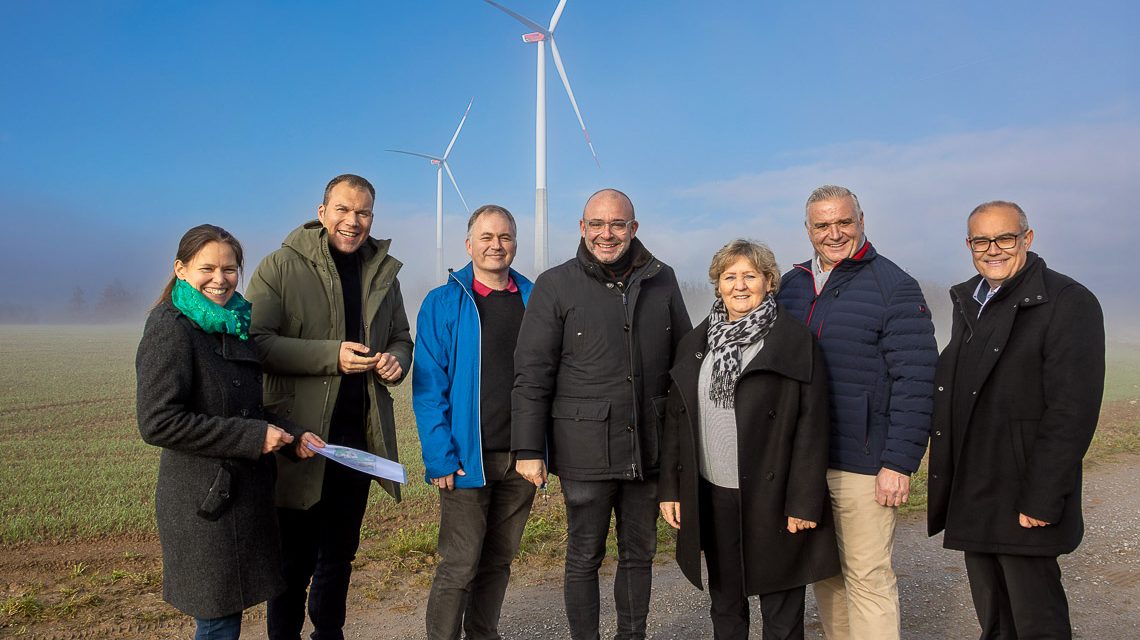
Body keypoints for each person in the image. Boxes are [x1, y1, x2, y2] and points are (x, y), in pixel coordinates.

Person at [512, 188, 691, 640]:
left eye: (617, 224)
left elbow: (683, 362)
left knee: (639, 554)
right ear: (581, 227)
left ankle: (632, 635)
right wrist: (529, 448)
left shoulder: (662, 278)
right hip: (584, 450)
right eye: (597, 224)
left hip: (646, 448)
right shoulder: (556, 284)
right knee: (584, 555)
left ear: (634, 228)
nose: (606, 234)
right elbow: (532, 372)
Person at [245, 174, 414, 640]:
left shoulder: (383, 272)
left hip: (357, 438)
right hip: (297, 438)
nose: (352, 221)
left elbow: (401, 337)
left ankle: (330, 634)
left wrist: (396, 360)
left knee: (340, 554)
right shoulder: (279, 266)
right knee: (292, 560)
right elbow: (254, 344)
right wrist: (330, 357)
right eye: (343, 210)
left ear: (372, 219)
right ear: (322, 214)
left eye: (362, 213)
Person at [928, 201, 1104, 639]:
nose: (994, 250)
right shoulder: (969, 299)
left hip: (1025, 492)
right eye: (982, 240)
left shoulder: (1068, 301)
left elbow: (1071, 412)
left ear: (1027, 238)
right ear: (969, 245)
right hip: (975, 490)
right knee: (995, 621)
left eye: (1005, 238)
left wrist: (1043, 497)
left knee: (1036, 622)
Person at [776, 185, 937, 640]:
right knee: (826, 574)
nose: (834, 233)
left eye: (844, 222)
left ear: (861, 220)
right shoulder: (791, 286)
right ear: (807, 229)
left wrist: (898, 463)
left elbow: (916, 380)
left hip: (864, 464)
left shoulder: (894, 286)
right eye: (822, 225)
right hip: (806, 461)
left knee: (867, 577)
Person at [136, 224, 311, 639]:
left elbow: (245, 407)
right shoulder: (171, 327)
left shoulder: (232, 321)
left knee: (226, 617)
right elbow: (158, 422)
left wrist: (293, 436)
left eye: (230, 269)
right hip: (204, 504)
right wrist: (253, 437)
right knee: (217, 621)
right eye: (207, 268)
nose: (220, 279)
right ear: (180, 269)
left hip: (241, 497)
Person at [659, 239, 839, 640]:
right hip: (714, 493)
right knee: (725, 604)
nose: (740, 286)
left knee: (780, 610)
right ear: (718, 284)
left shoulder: (795, 341)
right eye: (729, 277)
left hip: (773, 497)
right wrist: (672, 489)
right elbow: (677, 421)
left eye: (750, 276)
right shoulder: (697, 344)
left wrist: (804, 501)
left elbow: (813, 427)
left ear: (769, 282)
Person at [412, 205, 536, 640]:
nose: (495, 245)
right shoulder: (443, 302)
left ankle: (483, 634)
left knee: (499, 559)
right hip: (467, 456)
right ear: (469, 244)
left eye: (504, 237)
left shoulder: (535, 300)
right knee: (461, 562)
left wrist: (540, 447)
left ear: (515, 245)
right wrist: (439, 455)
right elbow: (428, 386)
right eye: (486, 237)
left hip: (521, 457)